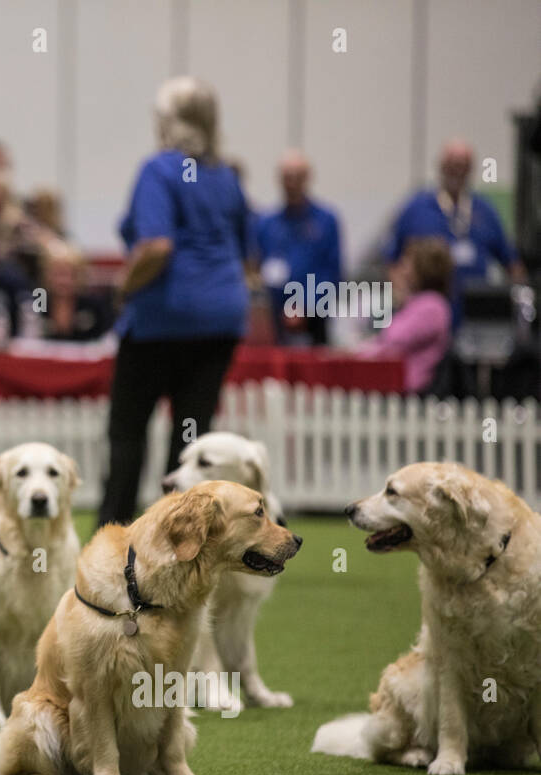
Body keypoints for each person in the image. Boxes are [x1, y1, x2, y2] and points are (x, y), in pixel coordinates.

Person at [97, 76, 254, 527]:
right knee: (190, 438)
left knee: (127, 434)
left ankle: (115, 533)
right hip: (220, 320)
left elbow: (157, 247)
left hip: (160, 320)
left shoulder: (160, 169)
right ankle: (181, 534)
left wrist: (124, 287)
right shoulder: (226, 176)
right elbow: (247, 255)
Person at [385, 139, 527, 327]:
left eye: (463, 165)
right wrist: (403, 297)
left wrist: (519, 305)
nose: (457, 170)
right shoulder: (416, 208)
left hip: (474, 316)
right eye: (452, 164)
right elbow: (391, 261)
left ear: (471, 169)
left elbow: (512, 265)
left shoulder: (484, 210)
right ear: (441, 166)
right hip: (426, 314)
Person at [256, 149, 343, 345]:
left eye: (297, 177)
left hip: (314, 320)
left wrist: (305, 307)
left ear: (307, 178)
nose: (292, 183)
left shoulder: (326, 221)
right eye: (287, 177)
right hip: (274, 318)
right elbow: (256, 268)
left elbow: (332, 272)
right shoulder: (266, 223)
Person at [356, 238, 453, 395]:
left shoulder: (432, 305)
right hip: (396, 387)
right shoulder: (418, 303)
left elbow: (393, 339)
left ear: (422, 268)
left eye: (407, 262)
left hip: (412, 392)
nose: (402, 268)